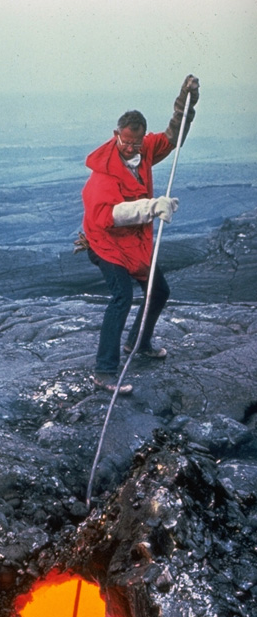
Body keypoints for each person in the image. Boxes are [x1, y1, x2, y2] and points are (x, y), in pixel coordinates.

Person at [76, 75, 200, 394]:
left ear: (142, 138)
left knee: (158, 291)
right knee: (122, 297)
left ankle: (138, 342)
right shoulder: (102, 173)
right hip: (105, 244)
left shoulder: (143, 151)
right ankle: (104, 372)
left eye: (136, 142)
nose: (130, 147)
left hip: (134, 244)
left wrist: (186, 100)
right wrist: (151, 207)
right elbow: (108, 215)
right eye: (125, 141)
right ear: (116, 134)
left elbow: (173, 137)